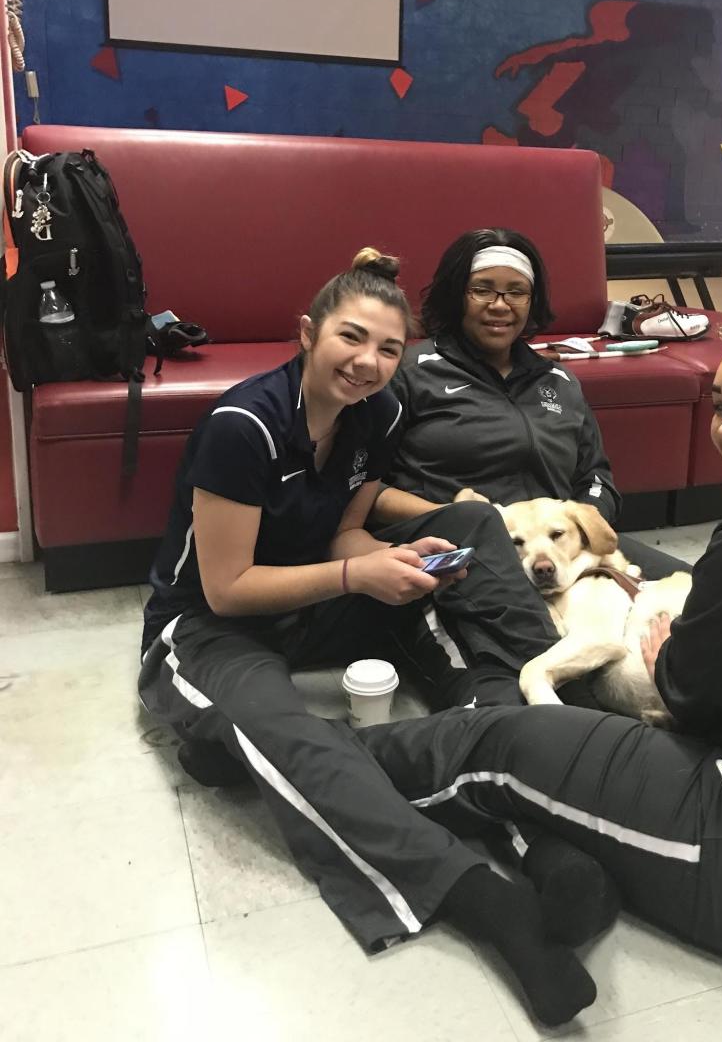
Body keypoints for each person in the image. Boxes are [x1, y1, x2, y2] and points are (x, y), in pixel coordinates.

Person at [351, 291, 722, 984]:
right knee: (650, 583)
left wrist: (672, 653)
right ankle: (558, 851)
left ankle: (310, 753)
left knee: (507, 735)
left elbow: (689, 699)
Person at [137, 249, 607, 1027]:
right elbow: (227, 586)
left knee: (461, 555)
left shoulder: (376, 414)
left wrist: (391, 559)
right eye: (351, 339)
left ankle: (540, 828)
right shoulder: (243, 425)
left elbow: (345, 535)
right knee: (288, 728)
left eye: (389, 349)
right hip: (208, 626)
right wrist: (362, 578)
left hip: (312, 601)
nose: (369, 362)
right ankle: (486, 901)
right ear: (307, 333)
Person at [375, 228, 689, 584]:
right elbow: (366, 491)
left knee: (699, 591)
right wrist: (460, 517)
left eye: (516, 292)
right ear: (456, 295)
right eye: (481, 289)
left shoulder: (558, 380)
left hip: (561, 553)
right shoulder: (410, 373)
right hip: (462, 553)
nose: (500, 305)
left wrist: (582, 523)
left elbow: (596, 477)